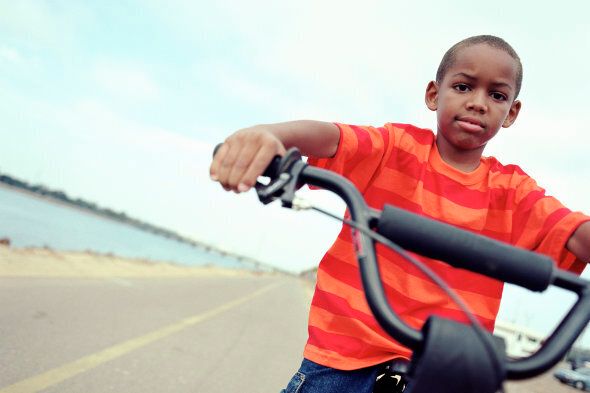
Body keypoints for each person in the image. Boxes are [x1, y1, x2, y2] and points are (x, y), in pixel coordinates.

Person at [209, 35, 590, 393]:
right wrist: (268, 135)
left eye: (497, 94)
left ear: (511, 113)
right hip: (343, 362)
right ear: (433, 94)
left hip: (445, 373)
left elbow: (574, 233)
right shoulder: (394, 148)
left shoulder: (513, 191)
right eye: (463, 86)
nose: (478, 102)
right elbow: (333, 137)